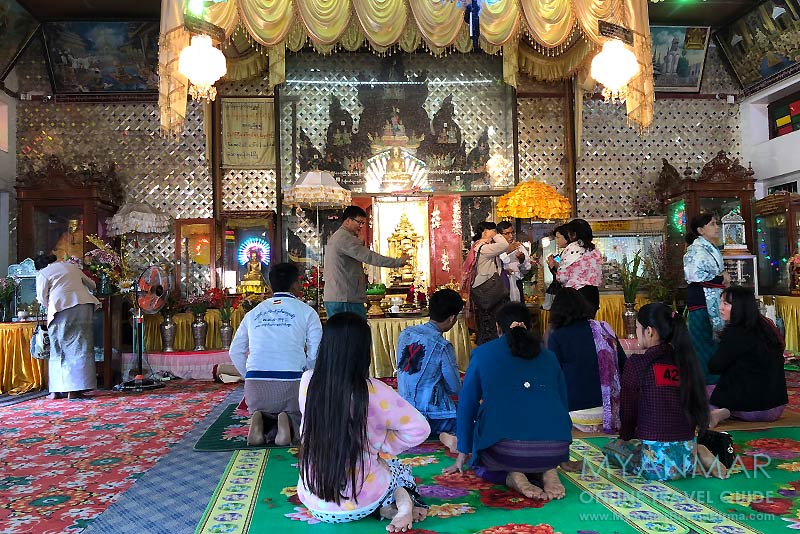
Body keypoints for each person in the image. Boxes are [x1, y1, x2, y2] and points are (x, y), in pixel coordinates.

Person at [298, 313, 430, 530]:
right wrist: (384, 445)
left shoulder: (307, 382)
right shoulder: (375, 390)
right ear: (363, 351)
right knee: (399, 469)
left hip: (314, 501)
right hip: (365, 499)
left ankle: (385, 508)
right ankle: (402, 505)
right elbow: (420, 429)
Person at [444, 302, 572, 501]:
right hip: (554, 449)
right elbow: (562, 403)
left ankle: (512, 475)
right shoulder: (549, 357)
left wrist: (463, 452)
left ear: (498, 328)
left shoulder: (482, 354)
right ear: (530, 326)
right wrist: (561, 452)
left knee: (480, 461)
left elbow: (467, 404)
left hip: (508, 451)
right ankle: (549, 470)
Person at [604, 303, 722, 480]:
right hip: (686, 458)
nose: (637, 333)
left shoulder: (637, 364)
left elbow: (628, 411)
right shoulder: (685, 362)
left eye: (638, 328)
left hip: (654, 467)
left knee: (610, 448)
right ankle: (699, 450)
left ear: (649, 331)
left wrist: (625, 437)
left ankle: (694, 451)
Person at [229, 262, 322, 446]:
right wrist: (306, 375)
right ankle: (288, 423)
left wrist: (249, 375)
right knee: (303, 410)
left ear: (271, 286)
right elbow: (317, 353)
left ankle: (259, 419)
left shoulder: (253, 313)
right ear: (295, 284)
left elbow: (235, 351)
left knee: (263, 404)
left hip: (255, 391)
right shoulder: (307, 312)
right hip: (290, 387)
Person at [547, 288, 626, 433]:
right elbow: (624, 365)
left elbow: (552, 378)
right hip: (610, 410)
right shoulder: (604, 329)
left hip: (575, 412)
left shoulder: (557, 337)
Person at [708, 286, 788, 427]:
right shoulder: (766, 327)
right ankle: (725, 411)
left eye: (726, 304)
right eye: (720, 302)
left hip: (751, 409)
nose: (720, 307)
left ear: (739, 307)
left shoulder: (736, 333)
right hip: (776, 407)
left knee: (701, 391)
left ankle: (723, 411)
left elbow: (714, 366)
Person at [396, 288, 464, 452]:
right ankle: (444, 434)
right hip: (431, 414)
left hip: (403, 411)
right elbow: (455, 387)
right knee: (474, 414)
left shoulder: (405, 334)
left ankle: (414, 432)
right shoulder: (442, 346)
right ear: (452, 318)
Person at [323, 206, 410, 319]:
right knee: (356, 329)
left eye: (362, 223)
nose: (361, 226)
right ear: (348, 221)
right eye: (359, 222)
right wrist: (397, 262)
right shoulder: (344, 238)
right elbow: (369, 257)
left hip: (339, 297)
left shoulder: (339, 237)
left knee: (340, 330)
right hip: (345, 298)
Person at [35, 253, 100, 400]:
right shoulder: (71, 266)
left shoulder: (43, 273)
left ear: (38, 268)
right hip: (84, 306)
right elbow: (92, 285)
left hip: (61, 308)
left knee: (59, 347)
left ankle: (57, 390)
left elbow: (41, 298)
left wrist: (50, 306)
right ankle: (76, 389)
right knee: (81, 346)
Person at [683, 214, 730, 385]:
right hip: (701, 302)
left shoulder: (710, 247)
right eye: (712, 224)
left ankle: (715, 378)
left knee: (713, 340)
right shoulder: (695, 250)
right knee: (702, 341)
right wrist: (721, 279)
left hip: (713, 299)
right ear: (700, 230)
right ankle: (705, 382)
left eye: (716, 223)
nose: (717, 227)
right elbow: (695, 276)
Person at [462, 221, 521, 345]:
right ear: (485, 232)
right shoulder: (483, 247)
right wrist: (496, 235)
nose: (495, 233)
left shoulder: (483, 246)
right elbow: (504, 245)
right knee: (488, 323)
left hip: (488, 290)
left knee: (489, 322)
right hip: (488, 291)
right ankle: (490, 346)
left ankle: (490, 345)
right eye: (493, 230)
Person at [548, 219, 602, 316]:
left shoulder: (572, 248)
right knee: (588, 323)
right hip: (593, 294)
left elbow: (562, 278)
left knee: (576, 323)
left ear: (574, 234)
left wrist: (554, 268)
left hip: (575, 295)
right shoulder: (595, 250)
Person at [496, 221, 531, 303]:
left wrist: (521, 261)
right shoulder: (494, 248)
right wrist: (507, 251)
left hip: (516, 283)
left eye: (512, 233)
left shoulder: (519, 247)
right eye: (507, 234)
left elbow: (527, 269)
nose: (511, 236)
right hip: (500, 285)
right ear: (499, 235)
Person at [542, 224, 571, 311]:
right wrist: (553, 266)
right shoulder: (565, 252)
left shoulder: (571, 253)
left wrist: (553, 266)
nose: (556, 240)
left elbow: (563, 275)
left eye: (558, 237)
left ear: (567, 237)